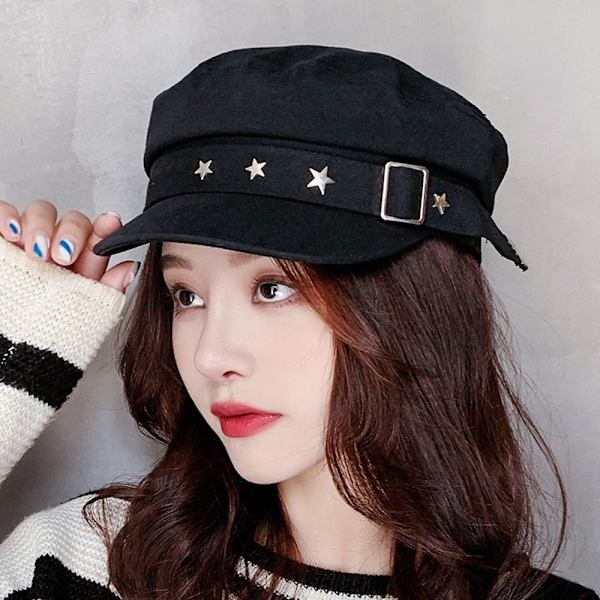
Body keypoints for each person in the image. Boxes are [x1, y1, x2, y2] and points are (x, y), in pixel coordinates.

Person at [0, 45, 597, 600]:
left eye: (272, 288)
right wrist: (12, 372)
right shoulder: (81, 565)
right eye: (186, 295)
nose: (210, 356)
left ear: (415, 307)